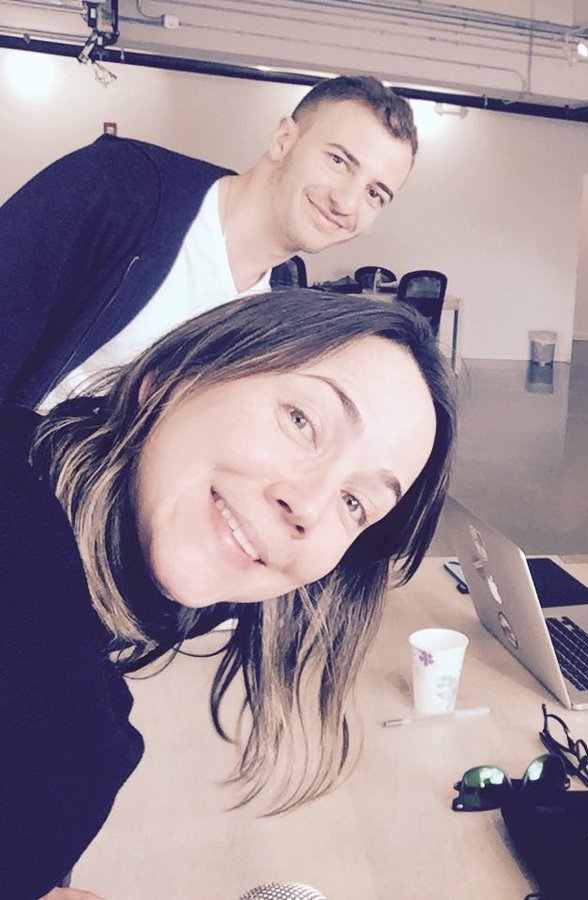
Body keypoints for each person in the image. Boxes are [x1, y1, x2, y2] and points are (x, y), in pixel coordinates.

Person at [0, 290, 456, 900]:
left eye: (355, 502)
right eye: (302, 421)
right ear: (172, 377)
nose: (309, 504)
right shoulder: (65, 744)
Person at [0, 74, 418, 410]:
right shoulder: (119, 185)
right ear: (283, 140)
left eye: (375, 193)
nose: (346, 202)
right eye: (339, 161)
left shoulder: (274, 322)